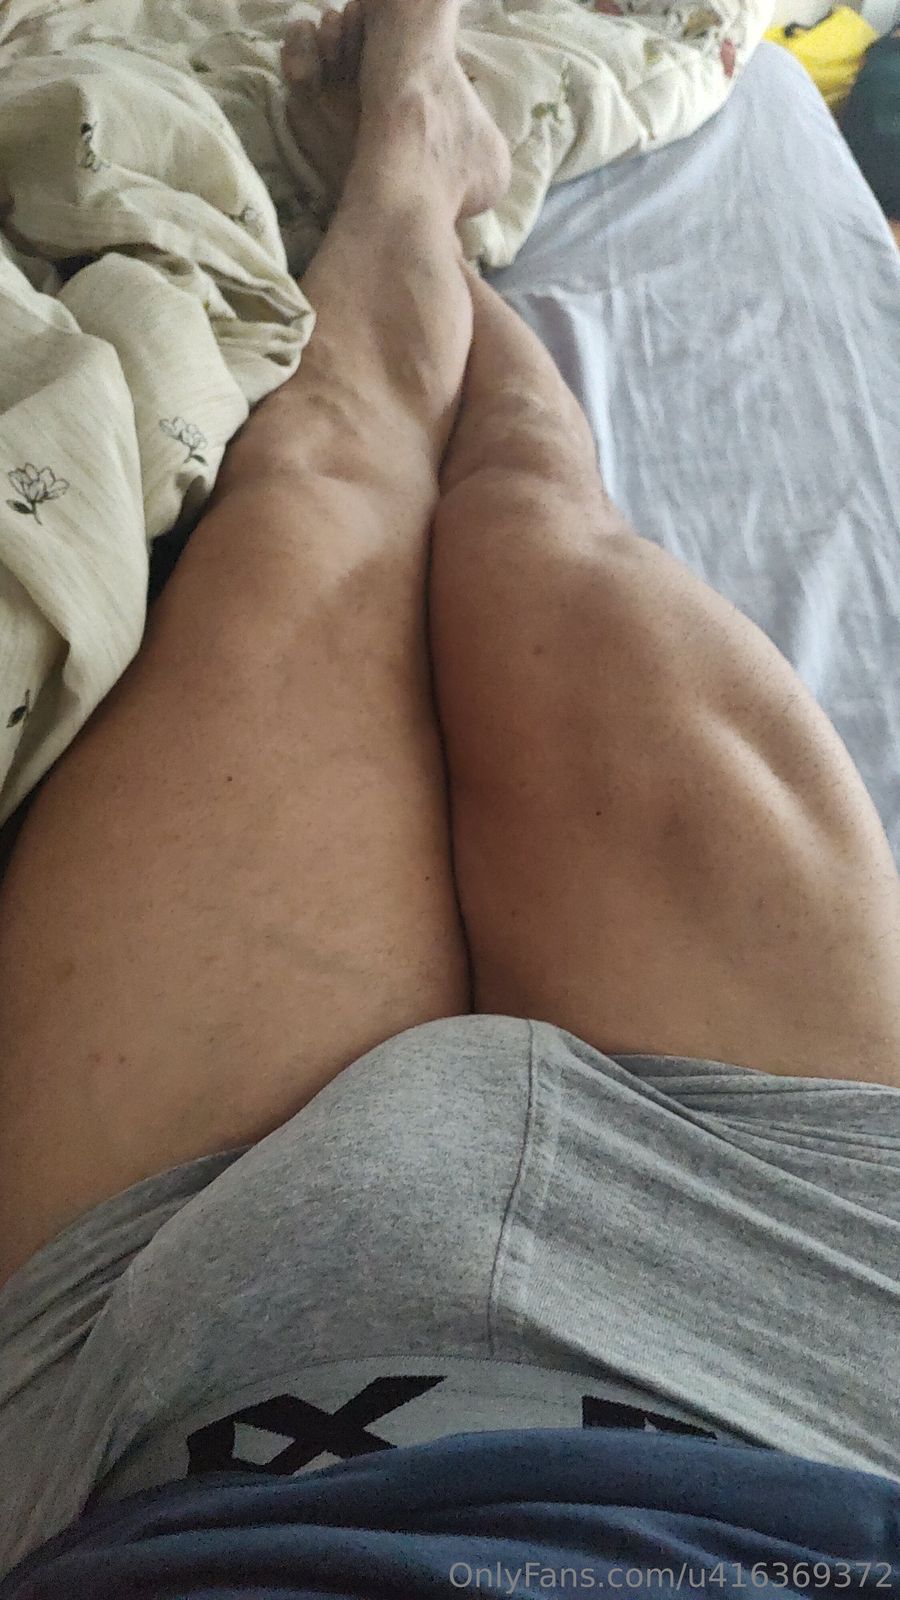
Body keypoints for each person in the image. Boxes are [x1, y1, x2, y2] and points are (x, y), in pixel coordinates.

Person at [0, 0, 898, 1589]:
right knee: (537, 519)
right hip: (809, 1346)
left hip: (164, 1373)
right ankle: (419, 169)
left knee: (325, 486)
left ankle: (411, 179)